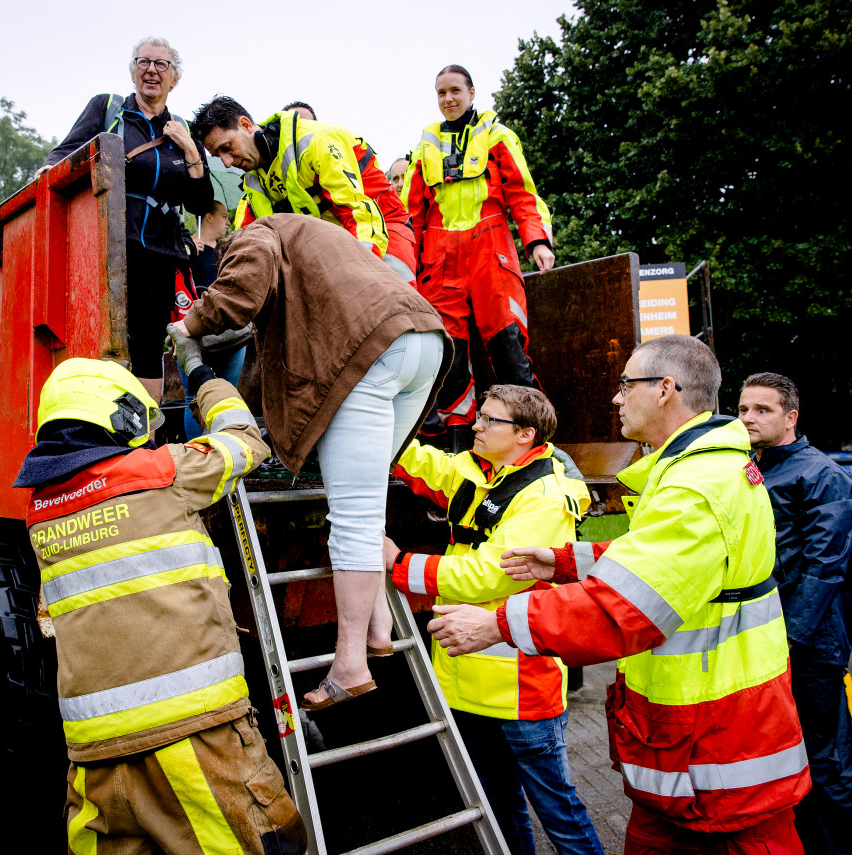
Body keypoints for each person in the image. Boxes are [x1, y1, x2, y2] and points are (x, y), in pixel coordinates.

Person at [429, 335, 811, 854]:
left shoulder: (696, 484)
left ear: (665, 389)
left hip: (718, 751)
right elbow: (661, 560)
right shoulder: (699, 470)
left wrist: (497, 624)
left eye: (626, 384)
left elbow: (627, 606)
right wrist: (566, 561)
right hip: (698, 742)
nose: (616, 397)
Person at [14, 357, 306, 855]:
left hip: (93, 766)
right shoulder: (163, 471)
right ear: (122, 415)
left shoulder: (40, 512)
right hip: (198, 743)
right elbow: (245, 439)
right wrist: (205, 380)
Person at [168, 215, 451, 710]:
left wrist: (186, 327)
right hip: (423, 341)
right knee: (366, 506)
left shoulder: (257, 233)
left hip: (374, 350)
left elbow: (239, 294)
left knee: (352, 518)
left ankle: (350, 665)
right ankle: (378, 627)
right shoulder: (319, 236)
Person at [384, 385, 603, 855]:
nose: (475, 426)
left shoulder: (545, 496)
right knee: (497, 804)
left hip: (522, 690)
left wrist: (399, 563)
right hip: (466, 678)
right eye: (479, 417)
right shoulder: (480, 470)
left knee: (559, 814)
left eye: (488, 420)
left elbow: (488, 575)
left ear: (525, 434)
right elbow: (428, 465)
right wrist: (383, 431)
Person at [739, 372, 852, 855]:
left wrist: (789, 641)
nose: (749, 418)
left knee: (828, 764)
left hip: (811, 647)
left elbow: (825, 568)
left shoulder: (822, 475)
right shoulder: (752, 470)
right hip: (769, 641)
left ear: (790, 417)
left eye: (763, 410)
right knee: (785, 761)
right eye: (743, 409)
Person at [36, 37, 214, 405]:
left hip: (161, 254)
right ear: (133, 70)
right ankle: (99, 422)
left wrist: (190, 148)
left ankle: (145, 431)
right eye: (143, 61)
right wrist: (46, 172)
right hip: (111, 244)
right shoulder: (108, 109)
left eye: (161, 64)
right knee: (105, 339)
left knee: (148, 346)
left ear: (175, 78)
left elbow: (199, 203)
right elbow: (66, 152)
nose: (151, 70)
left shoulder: (183, 129)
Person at [402, 64, 555, 439]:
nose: (448, 99)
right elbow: (412, 214)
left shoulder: (497, 135)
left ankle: (531, 432)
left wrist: (537, 240)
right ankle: (457, 441)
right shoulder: (424, 147)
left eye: (455, 90)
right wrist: (406, 268)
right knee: (448, 354)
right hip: (439, 258)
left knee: (507, 343)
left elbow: (523, 193)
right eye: (441, 93)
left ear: (471, 93)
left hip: (490, 247)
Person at [191, 96, 417, 288]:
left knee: (394, 305)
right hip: (331, 245)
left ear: (245, 125)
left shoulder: (316, 140)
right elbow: (247, 242)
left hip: (383, 226)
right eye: (218, 155)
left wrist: (359, 277)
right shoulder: (253, 181)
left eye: (227, 148)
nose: (227, 162)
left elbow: (359, 212)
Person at [173, 200, 247, 441]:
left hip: (228, 335)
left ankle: (221, 448)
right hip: (193, 332)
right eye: (224, 216)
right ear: (207, 217)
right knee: (196, 396)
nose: (228, 222)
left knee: (226, 393)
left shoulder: (230, 252)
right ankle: (200, 450)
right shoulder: (187, 250)